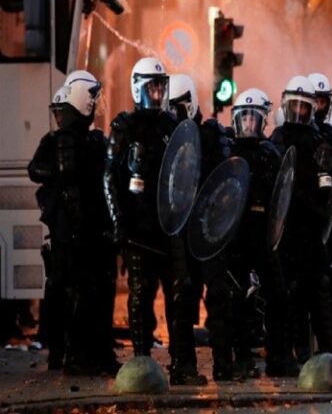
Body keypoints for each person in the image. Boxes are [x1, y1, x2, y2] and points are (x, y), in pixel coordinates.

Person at [104, 58, 206, 385]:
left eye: (161, 86)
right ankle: (141, 366)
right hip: (138, 228)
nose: (159, 93)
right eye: (152, 87)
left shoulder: (171, 125)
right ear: (138, 89)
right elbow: (110, 177)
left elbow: (186, 171)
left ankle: (183, 366)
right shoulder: (125, 127)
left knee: (180, 295)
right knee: (141, 296)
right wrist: (119, 221)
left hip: (169, 225)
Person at [28, 71, 119, 375]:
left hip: (92, 230)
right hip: (71, 233)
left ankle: (94, 354)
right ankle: (71, 355)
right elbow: (36, 170)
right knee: (71, 292)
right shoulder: (59, 142)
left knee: (95, 292)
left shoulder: (94, 141)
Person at [270, 76, 332, 367]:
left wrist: (327, 173)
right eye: (295, 105)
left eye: (305, 106)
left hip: (311, 230)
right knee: (288, 294)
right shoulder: (277, 139)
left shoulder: (318, 139)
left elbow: (329, 186)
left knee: (319, 290)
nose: (299, 112)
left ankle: (330, 351)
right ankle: (293, 351)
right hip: (286, 230)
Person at [168, 74, 234, 380]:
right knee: (183, 295)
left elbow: (225, 180)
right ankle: (183, 365)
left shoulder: (210, 136)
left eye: (179, 106)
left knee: (218, 296)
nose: (174, 113)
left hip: (208, 228)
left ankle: (224, 364)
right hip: (182, 230)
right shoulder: (168, 137)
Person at [229, 88, 298, 377]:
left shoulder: (270, 153)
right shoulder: (229, 152)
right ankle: (241, 358)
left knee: (278, 295)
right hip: (237, 235)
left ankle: (278, 357)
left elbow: (281, 194)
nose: (248, 124)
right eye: (244, 118)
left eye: (253, 118)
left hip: (264, 235)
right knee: (237, 298)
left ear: (262, 120)